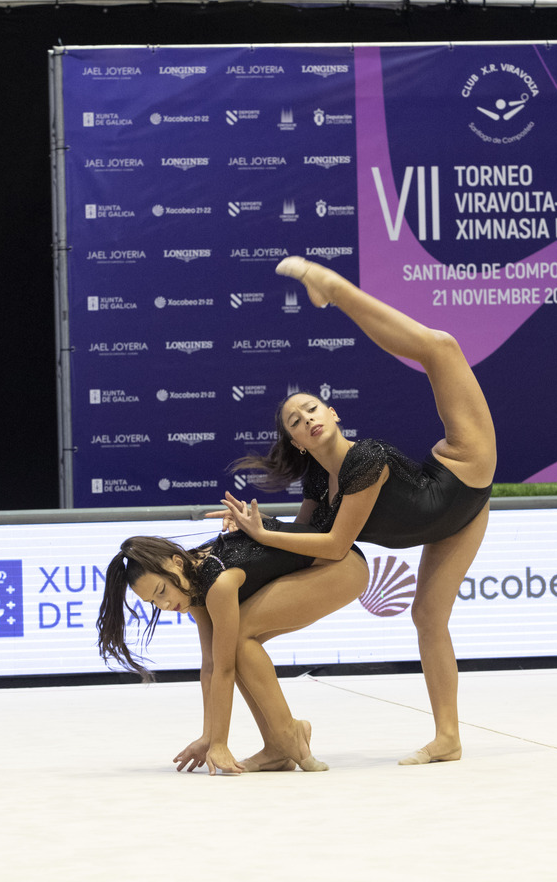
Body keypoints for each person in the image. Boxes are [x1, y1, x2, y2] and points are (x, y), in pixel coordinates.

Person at [213, 255, 498, 766]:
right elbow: (303, 542)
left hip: (461, 476)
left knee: (440, 347)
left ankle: (334, 288)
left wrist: (264, 532)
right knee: (427, 616)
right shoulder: (317, 480)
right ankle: (448, 738)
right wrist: (257, 526)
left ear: (333, 412)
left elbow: (336, 546)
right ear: (297, 442)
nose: (307, 418)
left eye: (312, 408)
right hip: (445, 523)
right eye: (296, 421)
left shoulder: (365, 459)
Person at [97, 523, 367, 775]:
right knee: (228, 645)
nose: (164, 605)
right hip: (319, 569)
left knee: (234, 640)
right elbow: (211, 665)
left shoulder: (219, 582)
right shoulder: (191, 584)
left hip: (343, 567)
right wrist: (208, 737)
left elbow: (224, 670)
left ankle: (288, 734)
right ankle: (277, 748)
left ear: (177, 563)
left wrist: (220, 743)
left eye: (161, 591)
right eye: (153, 601)